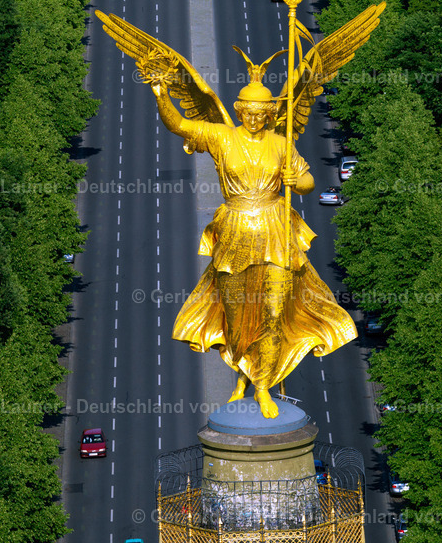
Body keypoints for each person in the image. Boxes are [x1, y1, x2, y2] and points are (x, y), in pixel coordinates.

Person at [151, 73, 357, 418]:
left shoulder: (280, 143)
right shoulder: (221, 136)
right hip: (235, 234)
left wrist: (299, 182)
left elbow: (306, 179)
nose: (254, 119)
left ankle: (262, 387)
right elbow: (178, 125)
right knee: (236, 320)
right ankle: (242, 380)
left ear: (269, 115)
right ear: (240, 110)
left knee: (274, 314)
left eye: (261, 114)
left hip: (275, 232)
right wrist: (160, 93)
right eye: (248, 112)